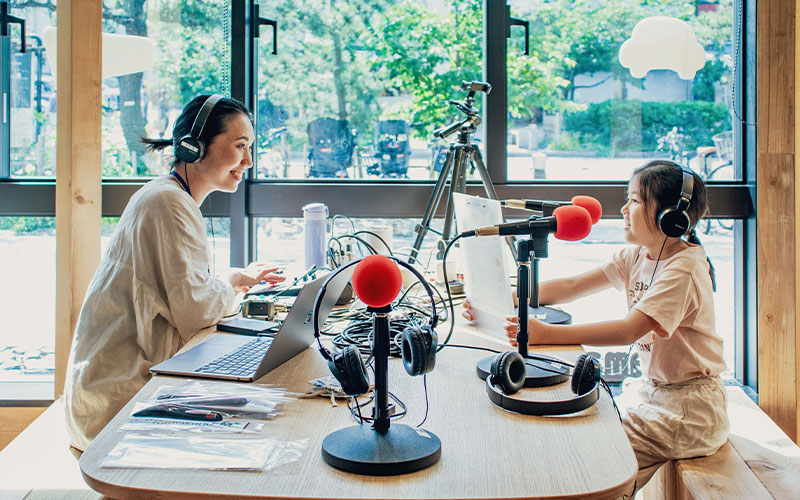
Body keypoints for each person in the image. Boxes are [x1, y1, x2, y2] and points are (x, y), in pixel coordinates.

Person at [463, 160, 727, 492]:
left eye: (634, 200)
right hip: (656, 394)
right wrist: (503, 298)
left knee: (594, 461)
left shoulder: (684, 269)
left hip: (688, 412)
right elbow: (571, 286)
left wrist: (551, 335)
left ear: (669, 217)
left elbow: (628, 330)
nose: (624, 208)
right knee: (579, 441)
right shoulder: (637, 256)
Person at [64, 94, 285, 451]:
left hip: (113, 390)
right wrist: (230, 288)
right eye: (240, 145)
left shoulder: (169, 198)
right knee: (258, 421)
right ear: (194, 147)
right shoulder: (166, 203)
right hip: (113, 405)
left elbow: (185, 294)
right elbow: (196, 311)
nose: (248, 160)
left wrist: (232, 281)